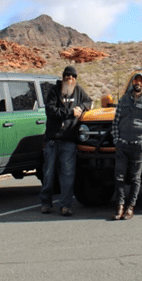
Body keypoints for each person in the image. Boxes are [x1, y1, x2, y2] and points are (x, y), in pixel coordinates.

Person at [40, 65, 91, 216]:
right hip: (52, 140)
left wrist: (81, 107)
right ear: (63, 78)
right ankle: (46, 202)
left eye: (73, 76)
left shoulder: (79, 91)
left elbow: (89, 101)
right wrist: (70, 112)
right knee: (48, 173)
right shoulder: (54, 91)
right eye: (67, 76)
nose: (70, 79)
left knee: (68, 175)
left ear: (76, 79)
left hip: (69, 140)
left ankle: (65, 205)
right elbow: (50, 110)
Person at [110, 72, 142, 220]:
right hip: (123, 145)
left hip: (139, 146)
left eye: (141, 80)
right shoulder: (123, 100)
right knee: (119, 177)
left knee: (135, 178)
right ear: (132, 82)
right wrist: (117, 140)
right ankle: (119, 206)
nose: (138, 82)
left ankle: (130, 207)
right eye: (136, 80)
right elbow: (116, 122)